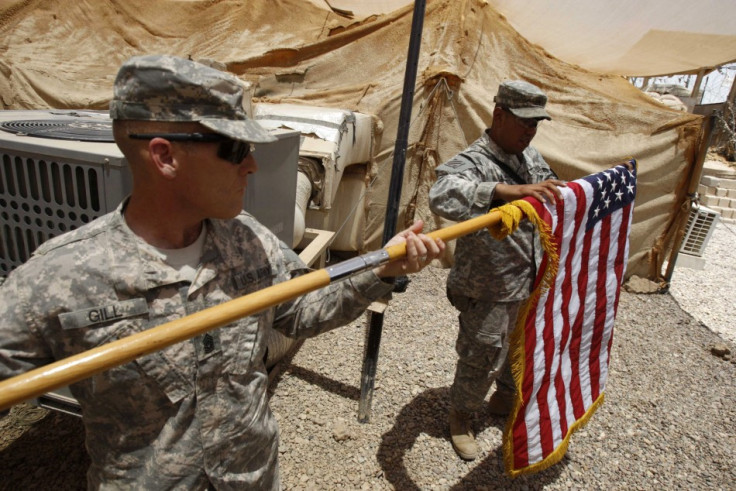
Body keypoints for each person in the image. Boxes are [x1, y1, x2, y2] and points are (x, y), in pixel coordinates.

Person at [0, 54, 444, 489]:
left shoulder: (246, 238)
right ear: (164, 157)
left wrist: (383, 269)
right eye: (234, 149)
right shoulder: (59, 278)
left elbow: (302, 311)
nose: (251, 164)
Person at [428, 80, 565, 461]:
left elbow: (552, 190)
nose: (530, 131)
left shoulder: (530, 157)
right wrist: (502, 192)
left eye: (536, 123)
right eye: (524, 122)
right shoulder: (475, 161)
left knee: (520, 345)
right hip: (488, 285)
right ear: (499, 116)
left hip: (528, 279)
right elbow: (440, 193)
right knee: (482, 353)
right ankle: (461, 416)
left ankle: (505, 399)